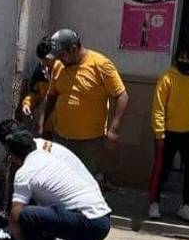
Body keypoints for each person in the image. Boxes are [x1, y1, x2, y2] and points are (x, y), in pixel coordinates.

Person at [0, 128, 143, 240]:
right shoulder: (50, 157)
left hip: (85, 220)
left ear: (13, 156)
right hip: (102, 219)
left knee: (26, 215)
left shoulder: (25, 173)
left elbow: (15, 218)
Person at [38, 28, 129, 184]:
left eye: (61, 55)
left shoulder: (100, 64)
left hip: (89, 143)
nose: (59, 59)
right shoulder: (60, 67)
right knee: (60, 182)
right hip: (62, 138)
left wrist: (114, 129)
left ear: (73, 49)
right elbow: (51, 96)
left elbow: (122, 95)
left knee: (82, 183)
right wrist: (43, 125)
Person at [148, 44, 189, 222]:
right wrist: (159, 132)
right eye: (182, 58)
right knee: (161, 169)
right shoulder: (167, 78)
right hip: (168, 133)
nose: (185, 61)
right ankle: (154, 203)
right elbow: (158, 107)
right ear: (176, 59)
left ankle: (187, 205)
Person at [19, 40, 63, 129]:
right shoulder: (41, 71)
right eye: (43, 59)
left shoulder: (66, 71)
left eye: (48, 59)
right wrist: (27, 104)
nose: (46, 63)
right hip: (47, 127)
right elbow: (35, 93)